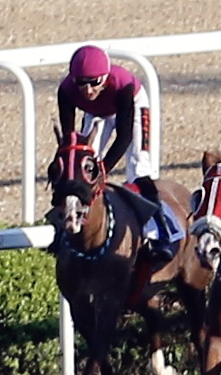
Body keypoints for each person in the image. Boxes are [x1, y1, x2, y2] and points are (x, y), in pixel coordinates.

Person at [56, 44, 177, 255]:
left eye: (94, 82)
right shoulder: (66, 91)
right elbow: (70, 143)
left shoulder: (123, 85)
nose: (88, 90)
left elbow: (124, 137)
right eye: (81, 83)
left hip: (132, 107)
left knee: (138, 167)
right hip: (96, 114)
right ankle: (69, 224)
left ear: (105, 77)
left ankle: (161, 232)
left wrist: (103, 169)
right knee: (80, 168)